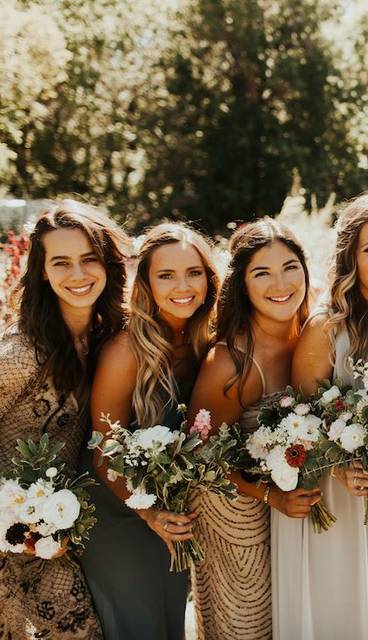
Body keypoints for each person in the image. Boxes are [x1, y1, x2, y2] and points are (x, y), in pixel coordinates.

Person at [286, 192, 368, 638]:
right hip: (336, 496)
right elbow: (299, 419)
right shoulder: (327, 325)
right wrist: (340, 467)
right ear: (350, 255)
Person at [82, 223, 219, 640]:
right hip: (118, 513)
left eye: (194, 273)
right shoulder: (125, 351)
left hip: (169, 517)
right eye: (166, 275)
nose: (183, 286)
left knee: (166, 623)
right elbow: (102, 450)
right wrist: (148, 512)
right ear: (145, 283)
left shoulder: (204, 341)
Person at [0, 201, 128, 639]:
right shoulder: (21, 353)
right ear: (41, 272)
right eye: (62, 262)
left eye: (89, 259)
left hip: (54, 543)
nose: (78, 274)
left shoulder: (107, 339)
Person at [189, 220, 312, 639]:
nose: (280, 283)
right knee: (250, 628)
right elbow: (201, 456)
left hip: (297, 517)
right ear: (242, 285)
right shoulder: (230, 361)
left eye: (290, 267)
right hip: (238, 517)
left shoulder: (314, 335)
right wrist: (270, 495)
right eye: (262, 273)